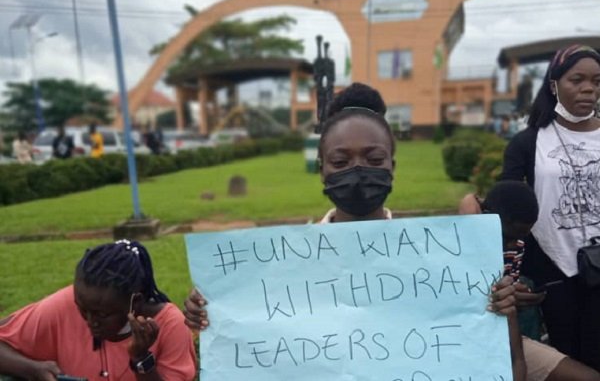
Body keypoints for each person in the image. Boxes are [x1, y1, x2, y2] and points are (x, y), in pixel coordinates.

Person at [184, 82, 527, 381]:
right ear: (322, 170)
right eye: (341, 161)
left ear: (392, 165)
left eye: (374, 159)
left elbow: (503, 362)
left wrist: (499, 312)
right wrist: (211, 310)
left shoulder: (453, 266)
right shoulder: (278, 270)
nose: (358, 170)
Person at [500, 44, 600, 371]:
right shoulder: (528, 142)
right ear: (554, 84)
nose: (589, 88)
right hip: (554, 269)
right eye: (577, 80)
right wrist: (510, 273)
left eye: (597, 81)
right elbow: (506, 212)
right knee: (568, 360)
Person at [460, 181, 600, 381]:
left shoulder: (517, 242)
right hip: (461, 337)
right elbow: (469, 205)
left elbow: (508, 316)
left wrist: (518, 295)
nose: (512, 244)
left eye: (522, 237)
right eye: (507, 237)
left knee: (589, 377)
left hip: (502, 333)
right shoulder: (460, 237)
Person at [0, 239, 197, 380]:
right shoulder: (64, 305)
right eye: (82, 309)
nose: (89, 321)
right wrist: (32, 369)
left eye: (102, 315)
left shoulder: (170, 325)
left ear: (134, 302)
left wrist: (141, 359)